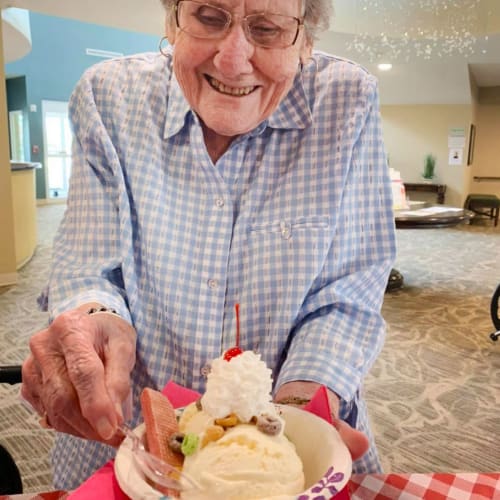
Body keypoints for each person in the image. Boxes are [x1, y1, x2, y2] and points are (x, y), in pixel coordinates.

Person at [21, 0, 396, 490]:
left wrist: (300, 415)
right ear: (172, 19)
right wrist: (92, 322)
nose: (232, 59)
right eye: (209, 16)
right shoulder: (106, 95)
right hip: (127, 444)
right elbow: (87, 267)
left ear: (306, 43)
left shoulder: (346, 100)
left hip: (289, 447)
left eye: (267, 29)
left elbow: (347, 291)